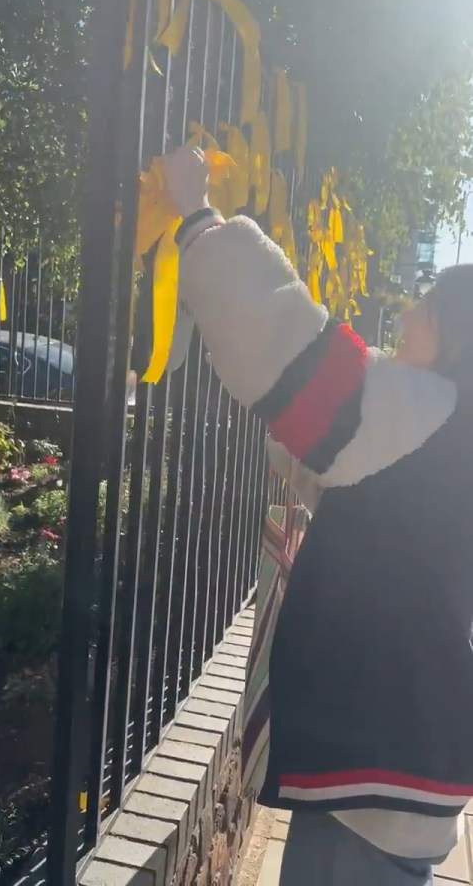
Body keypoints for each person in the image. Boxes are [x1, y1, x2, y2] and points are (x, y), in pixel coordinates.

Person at [162, 146, 473, 885]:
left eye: (425, 306)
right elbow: (375, 494)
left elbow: (286, 347)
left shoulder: (427, 408)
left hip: (377, 747)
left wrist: (198, 216)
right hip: (405, 747)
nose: (407, 312)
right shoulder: (444, 427)